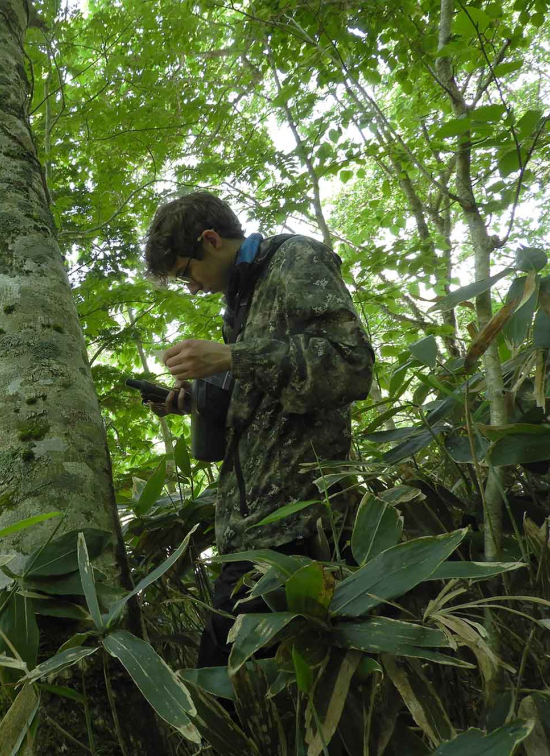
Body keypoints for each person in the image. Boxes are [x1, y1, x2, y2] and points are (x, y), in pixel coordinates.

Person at [141, 192, 375, 667]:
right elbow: (265, 401)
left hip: (302, 525)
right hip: (252, 531)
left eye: (187, 271)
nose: (190, 286)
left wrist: (231, 356)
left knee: (223, 683)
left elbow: (351, 367)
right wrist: (192, 401)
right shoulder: (241, 298)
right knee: (257, 689)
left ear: (210, 240)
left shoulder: (295, 259)